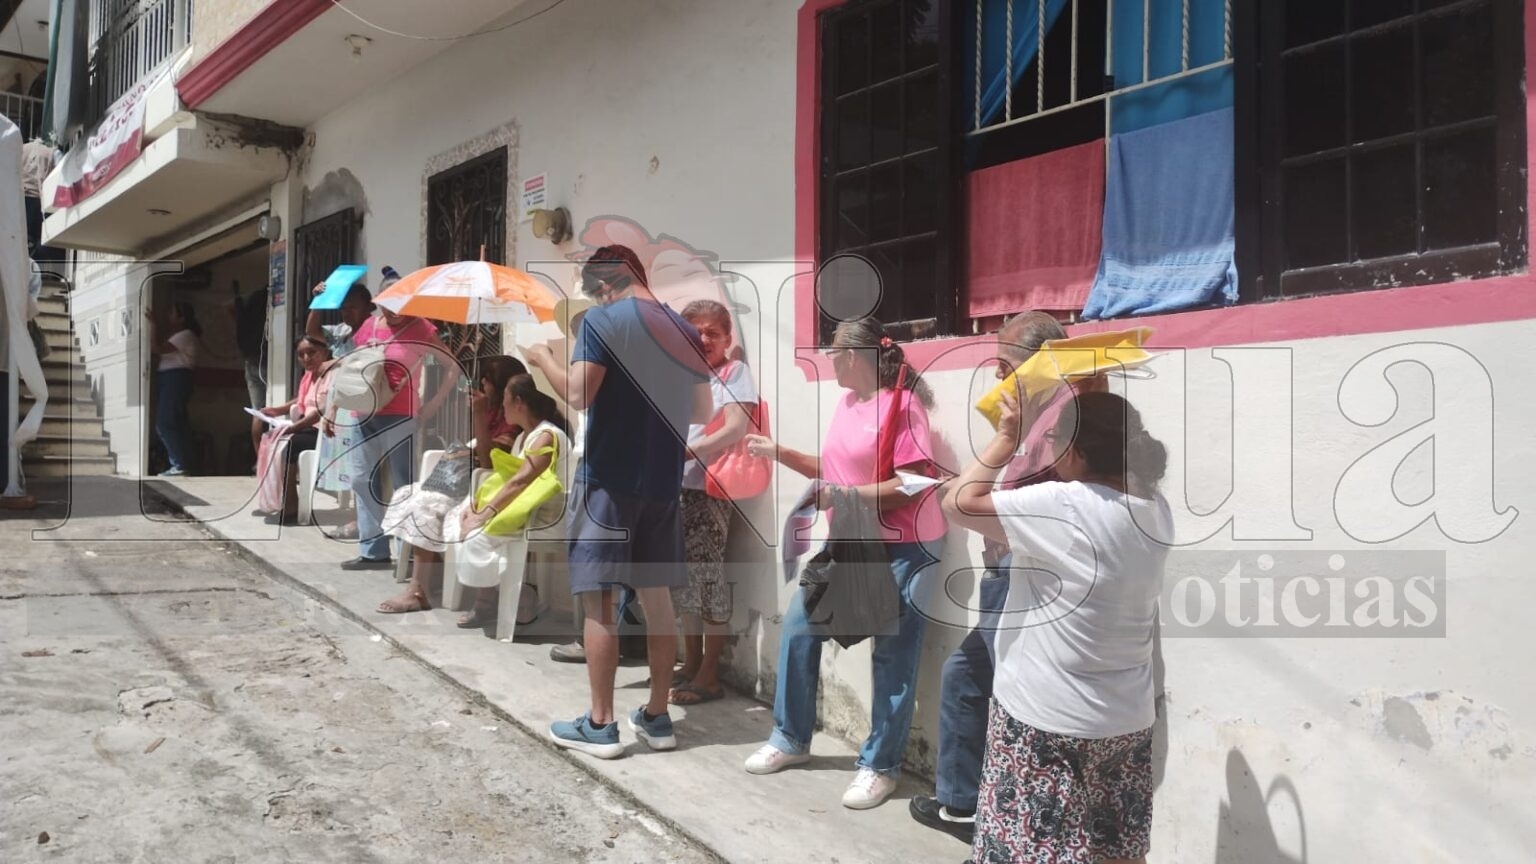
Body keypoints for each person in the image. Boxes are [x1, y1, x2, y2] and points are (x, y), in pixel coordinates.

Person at [943, 389, 1171, 864]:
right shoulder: (1155, 509)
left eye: (1054, 440)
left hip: (1045, 722)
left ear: (1077, 452)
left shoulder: (1063, 505)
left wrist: (1006, 439)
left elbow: (958, 502)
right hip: (1126, 720)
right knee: (1117, 852)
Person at [740, 317, 946, 810]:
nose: (828, 359)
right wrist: (779, 452)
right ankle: (791, 738)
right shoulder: (848, 404)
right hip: (852, 543)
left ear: (854, 357)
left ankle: (880, 766)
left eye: (832, 351)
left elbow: (914, 481)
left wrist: (847, 493)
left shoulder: (903, 405)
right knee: (798, 626)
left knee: (892, 654)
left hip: (905, 546)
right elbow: (835, 472)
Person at [524, 244, 711, 759]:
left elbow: (580, 395)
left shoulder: (604, 321)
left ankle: (601, 724)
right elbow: (701, 408)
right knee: (657, 600)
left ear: (607, 283)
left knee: (599, 599)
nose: (597, 299)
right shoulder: (686, 330)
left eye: (595, 290)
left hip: (608, 480)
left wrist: (543, 359)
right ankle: (656, 715)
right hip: (662, 481)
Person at [909, 311, 1082, 843]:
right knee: (984, 681)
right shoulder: (1047, 412)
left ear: (1034, 364)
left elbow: (1046, 502)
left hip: (1024, 573)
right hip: (1012, 570)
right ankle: (974, 803)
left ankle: (966, 806)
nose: (996, 378)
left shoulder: (1060, 417)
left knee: (972, 678)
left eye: (1004, 366)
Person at [376, 355, 526, 614]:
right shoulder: (493, 410)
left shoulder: (515, 418)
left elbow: (491, 461)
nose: (482, 386)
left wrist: (478, 417)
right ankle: (428, 574)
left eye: (486, 382)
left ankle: (417, 590)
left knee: (426, 504)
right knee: (410, 493)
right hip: (470, 482)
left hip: (489, 489)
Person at [669, 299, 756, 705]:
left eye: (712, 333)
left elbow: (737, 427)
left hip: (710, 488)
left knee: (709, 578)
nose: (704, 339)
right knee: (684, 579)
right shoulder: (683, 375)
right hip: (676, 488)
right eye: (696, 331)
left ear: (727, 338)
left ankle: (709, 674)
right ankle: (692, 661)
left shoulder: (734, 374)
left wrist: (690, 450)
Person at [342, 270, 453, 571]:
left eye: (398, 305)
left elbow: (452, 367)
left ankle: (407, 553)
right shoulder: (368, 326)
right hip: (363, 411)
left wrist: (431, 406)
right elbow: (349, 359)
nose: (391, 312)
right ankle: (373, 550)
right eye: (386, 305)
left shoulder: (422, 329)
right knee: (362, 479)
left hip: (401, 414)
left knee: (404, 485)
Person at [448, 373, 574, 625]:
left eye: (505, 398)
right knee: (457, 522)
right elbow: (503, 479)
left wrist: (483, 515)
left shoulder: (546, 436)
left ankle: (490, 600)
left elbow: (521, 482)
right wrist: (475, 508)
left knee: (476, 534)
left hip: (543, 517)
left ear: (518, 402)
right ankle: (492, 598)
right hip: (523, 512)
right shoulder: (523, 437)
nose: (501, 405)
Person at [310, 279, 376, 540]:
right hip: (340, 408)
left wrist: (337, 361)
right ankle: (357, 518)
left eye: (352, 307)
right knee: (350, 469)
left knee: (362, 470)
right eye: (343, 307)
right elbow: (312, 330)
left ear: (368, 307)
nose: (347, 312)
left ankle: (361, 522)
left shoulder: (374, 330)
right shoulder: (341, 332)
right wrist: (319, 302)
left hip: (363, 406)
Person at [254, 336, 332, 523]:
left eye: (312, 353)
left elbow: (322, 410)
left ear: (326, 353)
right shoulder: (308, 376)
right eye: (301, 355)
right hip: (307, 425)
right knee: (260, 426)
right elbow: (300, 401)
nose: (306, 358)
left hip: (325, 431)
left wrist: (293, 428)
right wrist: (276, 410)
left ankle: (292, 504)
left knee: (288, 444)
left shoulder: (331, 375)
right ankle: (268, 481)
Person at [147, 302, 202, 477]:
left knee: (165, 423)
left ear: (182, 318)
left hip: (176, 379)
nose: (168, 316)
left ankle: (179, 464)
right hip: (173, 379)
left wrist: (153, 325)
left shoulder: (185, 335)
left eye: (172, 312)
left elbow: (157, 349)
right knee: (178, 424)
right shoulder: (180, 335)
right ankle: (185, 464)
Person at [228, 282, 270, 467]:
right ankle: (268, 460)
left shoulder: (249, 306)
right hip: (267, 362)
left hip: (250, 362)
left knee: (258, 413)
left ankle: (259, 460)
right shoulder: (267, 306)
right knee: (273, 411)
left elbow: (231, 310)